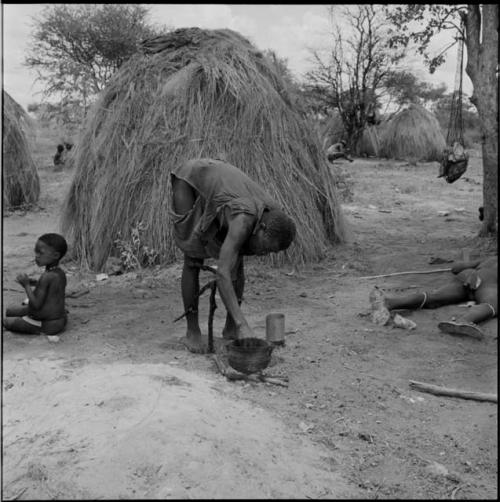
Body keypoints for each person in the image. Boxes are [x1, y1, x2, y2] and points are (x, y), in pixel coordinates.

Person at [171, 158, 296, 353]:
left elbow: (234, 262)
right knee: (193, 257)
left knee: (236, 260)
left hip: (220, 186)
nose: (263, 253)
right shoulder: (244, 221)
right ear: (261, 228)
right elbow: (222, 273)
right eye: (266, 247)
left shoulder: (273, 214)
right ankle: (192, 333)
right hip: (192, 179)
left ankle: (230, 329)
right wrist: (243, 324)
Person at [369, 256, 497, 339]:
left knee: (434, 297)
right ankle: (463, 320)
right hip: (488, 282)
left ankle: (389, 303)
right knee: (492, 303)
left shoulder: (490, 259)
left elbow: (455, 268)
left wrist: (472, 268)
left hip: (468, 275)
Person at [3, 233, 68, 336]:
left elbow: (36, 305)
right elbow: (51, 290)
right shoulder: (60, 273)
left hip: (47, 324)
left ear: (55, 255)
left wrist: (26, 285)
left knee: (7, 321)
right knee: (10, 310)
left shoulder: (46, 277)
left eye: (40, 253)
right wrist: (35, 283)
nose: (36, 256)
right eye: (36, 251)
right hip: (60, 320)